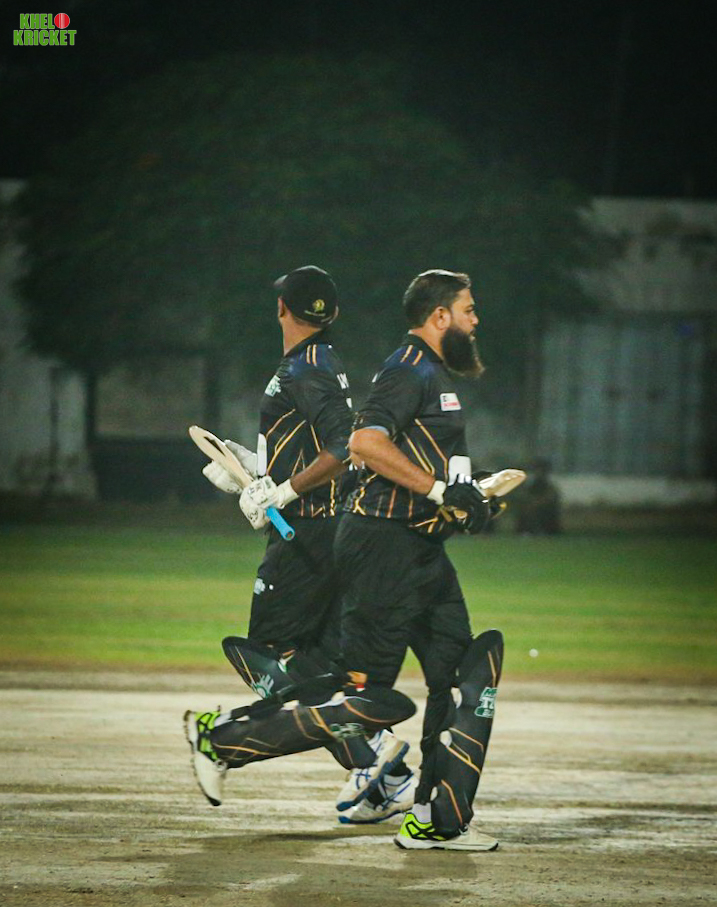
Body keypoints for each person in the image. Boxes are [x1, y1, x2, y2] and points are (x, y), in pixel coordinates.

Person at [186, 265, 410, 812]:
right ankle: (388, 776)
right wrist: (253, 469)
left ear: (281, 307)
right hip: (331, 527)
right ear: (332, 314)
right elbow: (314, 442)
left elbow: (343, 445)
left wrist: (283, 493)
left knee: (265, 652)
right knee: (320, 665)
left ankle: (360, 742)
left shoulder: (305, 365)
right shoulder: (320, 360)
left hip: (309, 531)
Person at [335, 269, 505, 851]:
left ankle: (434, 818)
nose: (475, 320)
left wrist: (470, 497)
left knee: (455, 677)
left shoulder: (435, 374)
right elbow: (365, 442)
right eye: (468, 309)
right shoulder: (408, 368)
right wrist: (437, 490)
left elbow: (439, 469)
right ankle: (232, 739)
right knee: (363, 694)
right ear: (440, 316)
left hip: (421, 549)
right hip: (382, 545)